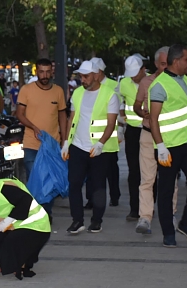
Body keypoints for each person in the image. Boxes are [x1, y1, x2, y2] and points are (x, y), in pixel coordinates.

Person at [148, 44, 187, 247]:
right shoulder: (159, 85)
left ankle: (186, 223)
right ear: (176, 61)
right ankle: (168, 233)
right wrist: (160, 146)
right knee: (166, 190)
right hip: (169, 147)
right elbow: (153, 119)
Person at [61, 60, 119, 234]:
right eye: (80, 76)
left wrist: (101, 143)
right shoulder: (78, 93)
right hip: (78, 146)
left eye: (85, 76)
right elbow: (71, 118)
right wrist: (66, 143)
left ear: (96, 75)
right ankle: (77, 220)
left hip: (99, 149)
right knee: (74, 183)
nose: (82, 79)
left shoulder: (110, 95)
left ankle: (96, 220)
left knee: (98, 186)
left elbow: (111, 123)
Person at [133, 46, 179, 234]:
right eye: (162, 64)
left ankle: (171, 214)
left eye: (168, 63)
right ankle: (145, 217)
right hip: (147, 134)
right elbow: (136, 104)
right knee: (147, 179)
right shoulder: (146, 82)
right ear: (155, 64)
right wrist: (140, 111)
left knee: (170, 179)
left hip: (170, 136)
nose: (165, 67)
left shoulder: (180, 82)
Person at [16, 58, 67, 219]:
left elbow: (62, 116)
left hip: (52, 145)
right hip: (32, 143)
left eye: (47, 71)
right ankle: (39, 212)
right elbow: (19, 114)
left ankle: (45, 213)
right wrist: (33, 127)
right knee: (36, 178)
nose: (44, 75)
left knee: (49, 180)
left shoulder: (58, 91)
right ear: (36, 72)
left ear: (52, 72)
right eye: (41, 71)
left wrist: (65, 141)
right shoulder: (26, 90)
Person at [84, 57, 121, 209]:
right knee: (91, 171)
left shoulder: (113, 86)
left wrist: (120, 132)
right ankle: (91, 199)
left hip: (109, 137)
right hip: (89, 137)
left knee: (111, 169)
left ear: (98, 72)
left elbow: (117, 110)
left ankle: (114, 196)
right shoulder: (87, 87)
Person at [114, 55, 147, 220]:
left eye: (136, 73)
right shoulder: (124, 83)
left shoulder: (152, 82)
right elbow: (119, 101)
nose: (133, 76)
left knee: (149, 172)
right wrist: (120, 125)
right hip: (133, 131)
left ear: (143, 70)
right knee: (134, 171)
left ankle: (147, 205)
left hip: (150, 131)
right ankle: (135, 209)